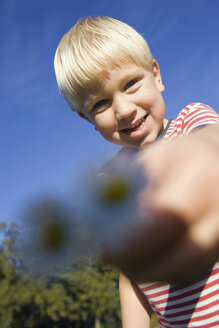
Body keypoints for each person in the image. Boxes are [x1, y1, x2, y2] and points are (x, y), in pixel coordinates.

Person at [54, 16, 219, 327]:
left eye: (131, 84)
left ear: (155, 75)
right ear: (86, 118)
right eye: (101, 104)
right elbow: (132, 276)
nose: (124, 109)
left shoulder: (191, 122)